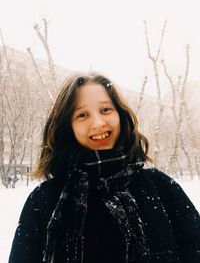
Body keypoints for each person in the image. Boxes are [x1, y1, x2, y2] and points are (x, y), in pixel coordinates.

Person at [9, 71, 200, 263]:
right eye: (82, 115)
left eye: (105, 110)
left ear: (120, 114)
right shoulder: (44, 200)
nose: (98, 123)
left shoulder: (161, 187)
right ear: (68, 126)